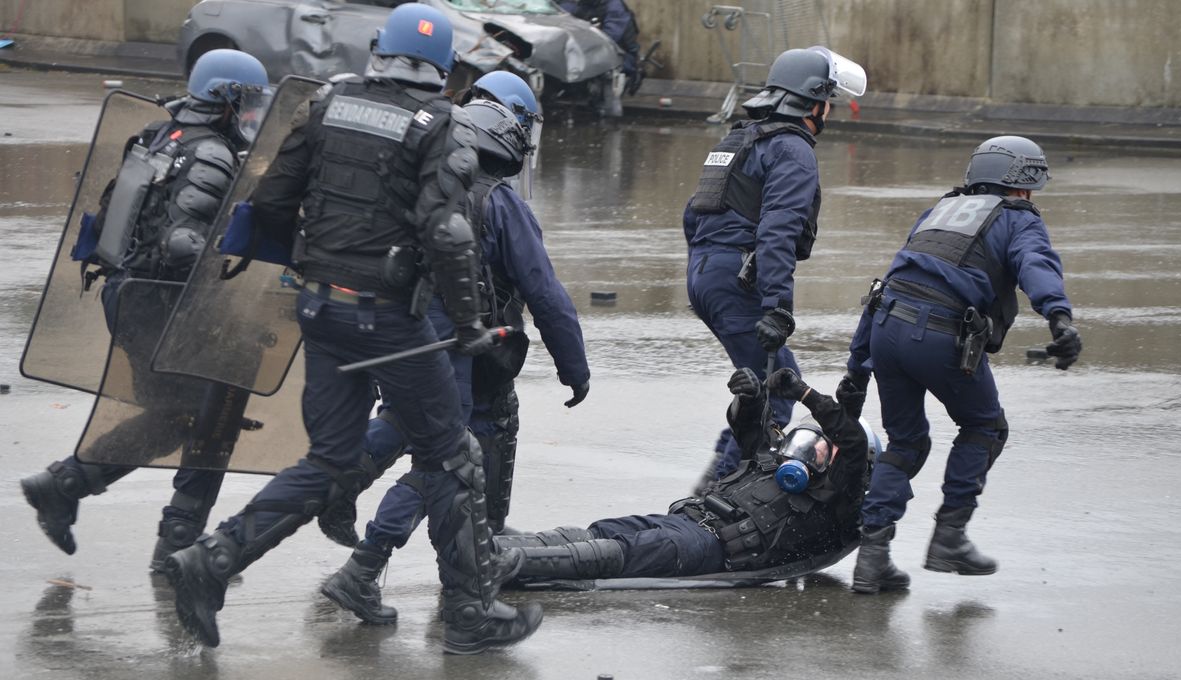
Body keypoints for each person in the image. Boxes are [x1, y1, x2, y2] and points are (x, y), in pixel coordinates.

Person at [160, 4, 543, 654]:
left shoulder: (330, 102)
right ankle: (472, 615)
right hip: (388, 318)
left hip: (319, 308)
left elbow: (274, 201)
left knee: (332, 460)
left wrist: (312, 273)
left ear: (378, 50)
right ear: (444, 68)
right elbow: (447, 231)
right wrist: (472, 322)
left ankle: (213, 558)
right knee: (455, 455)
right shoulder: (441, 124)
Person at [320, 78, 592, 622]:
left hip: (397, 333)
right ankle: (368, 566)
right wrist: (574, 367)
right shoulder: (500, 202)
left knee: (404, 424)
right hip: (458, 353)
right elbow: (544, 293)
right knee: (446, 461)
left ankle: (339, 480)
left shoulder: (418, 182)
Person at [20, 49, 270, 570]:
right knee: (214, 413)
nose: (250, 116)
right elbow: (182, 242)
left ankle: (65, 485)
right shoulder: (212, 155)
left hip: (132, 298)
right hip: (165, 305)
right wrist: (241, 247)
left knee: (177, 416)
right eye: (245, 104)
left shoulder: (160, 136)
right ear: (225, 101)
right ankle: (176, 545)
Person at [843, 135, 1083, 594]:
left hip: (886, 329)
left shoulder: (941, 211)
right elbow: (1036, 264)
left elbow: (891, 283)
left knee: (906, 443)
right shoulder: (1018, 217)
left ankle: (872, 560)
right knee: (985, 426)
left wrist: (857, 368)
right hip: (939, 336)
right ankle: (948, 538)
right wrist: (1059, 317)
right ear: (1024, 185)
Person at [492, 368, 877, 583]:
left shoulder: (835, 504)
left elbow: (854, 445)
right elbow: (749, 433)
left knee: (614, 554)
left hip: (710, 549)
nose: (812, 450)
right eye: (810, 440)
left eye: (825, 447)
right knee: (599, 531)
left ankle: (494, 567)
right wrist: (751, 397)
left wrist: (806, 393)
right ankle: (488, 547)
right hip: (684, 519)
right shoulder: (771, 465)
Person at [684, 47, 866, 487]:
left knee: (764, 387)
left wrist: (712, 269)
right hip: (738, 278)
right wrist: (777, 305)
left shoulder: (739, 139)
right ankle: (716, 502)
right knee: (776, 394)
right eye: (830, 102)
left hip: (706, 273)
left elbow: (694, 215)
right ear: (815, 101)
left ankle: (718, 489)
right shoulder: (792, 149)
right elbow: (779, 230)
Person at [559, 0, 643, 93]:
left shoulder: (614, 6)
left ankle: (607, 103)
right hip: (590, 53)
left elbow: (610, 37)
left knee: (603, 72)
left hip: (621, 56)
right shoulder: (582, 4)